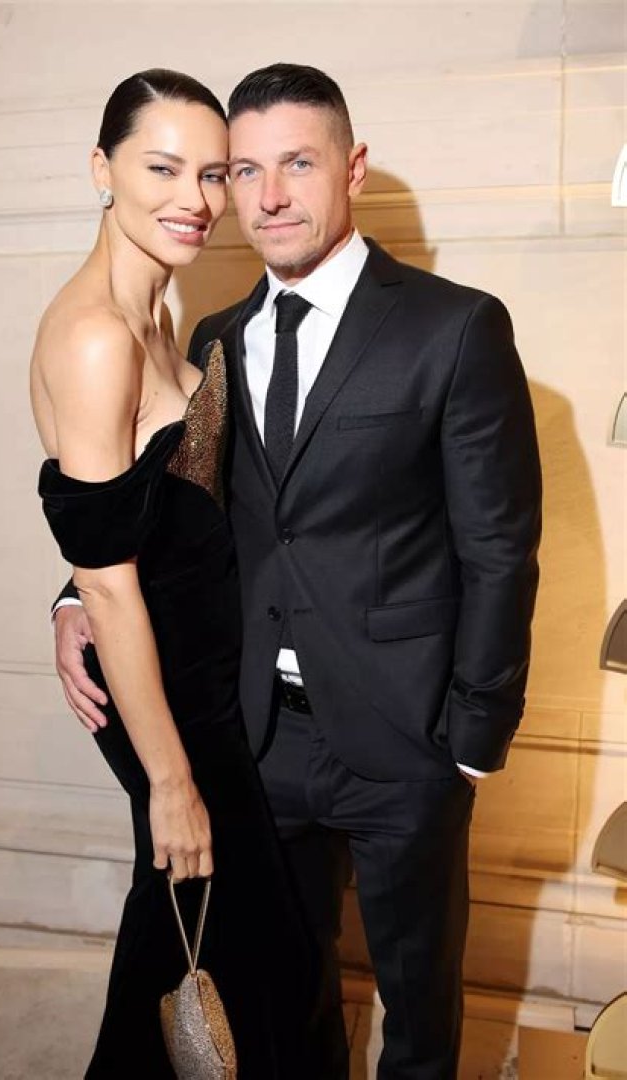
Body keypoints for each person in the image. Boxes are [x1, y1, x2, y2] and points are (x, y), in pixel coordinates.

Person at [54, 63, 542, 1080]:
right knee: (282, 997)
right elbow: (163, 515)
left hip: (407, 741)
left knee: (419, 1007)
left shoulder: (455, 327)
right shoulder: (212, 339)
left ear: (351, 168)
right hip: (256, 741)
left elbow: (499, 546)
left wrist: (471, 742)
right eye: (244, 170)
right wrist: (72, 596)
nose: (267, 196)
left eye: (298, 164)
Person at [32, 68, 313, 1079]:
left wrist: (69, 596)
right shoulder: (98, 338)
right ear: (100, 169)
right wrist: (171, 781)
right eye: (162, 169)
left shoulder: (157, 316)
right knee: (235, 960)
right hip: (170, 703)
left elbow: (134, 522)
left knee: (197, 949)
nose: (195, 199)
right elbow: (109, 578)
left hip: (200, 677)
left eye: (212, 173)